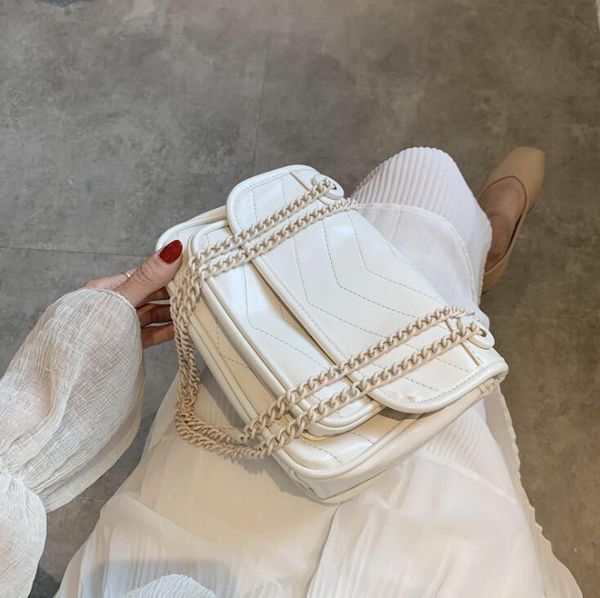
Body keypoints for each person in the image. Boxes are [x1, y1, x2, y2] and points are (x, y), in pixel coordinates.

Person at [0, 147, 581, 597]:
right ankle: (475, 250)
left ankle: (463, 256)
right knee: (423, 190)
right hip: (434, 567)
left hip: (180, 547)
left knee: (411, 192)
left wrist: (77, 356)